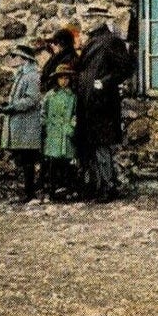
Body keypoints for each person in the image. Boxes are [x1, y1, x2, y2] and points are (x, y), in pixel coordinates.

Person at [75, 20, 131, 201]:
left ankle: (107, 187)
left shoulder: (109, 42)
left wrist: (104, 83)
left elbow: (125, 68)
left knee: (101, 147)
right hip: (90, 102)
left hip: (100, 104)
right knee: (94, 147)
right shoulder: (96, 43)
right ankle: (99, 186)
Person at [0, 43, 43, 200]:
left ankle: (30, 192)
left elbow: (32, 100)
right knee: (24, 159)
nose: (12, 59)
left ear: (24, 59)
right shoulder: (22, 75)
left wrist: (12, 106)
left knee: (28, 159)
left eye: (15, 56)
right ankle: (28, 191)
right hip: (22, 124)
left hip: (27, 125)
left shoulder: (31, 76)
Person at [41, 64, 78, 199]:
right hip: (53, 132)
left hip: (66, 132)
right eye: (61, 78)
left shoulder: (72, 96)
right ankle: (52, 190)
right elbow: (43, 112)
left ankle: (68, 189)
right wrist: (45, 125)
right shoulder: (50, 96)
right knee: (53, 162)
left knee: (68, 162)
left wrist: (72, 126)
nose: (64, 81)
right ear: (56, 79)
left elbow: (76, 113)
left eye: (66, 78)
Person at [39, 25, 79, 93]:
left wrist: (43, 88)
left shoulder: (70, 59)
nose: (52, 45)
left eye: (55, 42)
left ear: (63, 43)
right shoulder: (57, 56)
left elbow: (58, 81)